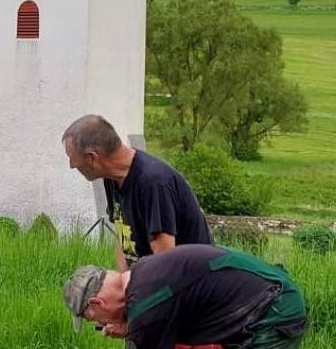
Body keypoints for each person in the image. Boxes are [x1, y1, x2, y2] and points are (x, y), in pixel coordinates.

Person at [64, 244, 307, 349]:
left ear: (97, 303)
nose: (102, 324)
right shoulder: (142, 273)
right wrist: (131, 327)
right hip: (269, 290)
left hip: (273, 310)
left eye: (93, 318)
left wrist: (136, 329)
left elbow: (152, 319)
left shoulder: (146, 304)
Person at [63, 114, 211, 271]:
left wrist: (139, 291)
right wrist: (123, 285)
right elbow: (124, 238)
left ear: (92, 158)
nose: (71, 165)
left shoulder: (153, 183)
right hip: (152, 279)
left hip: (190, 282)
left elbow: (165, 257)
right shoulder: (112, 178)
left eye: (73, 158)